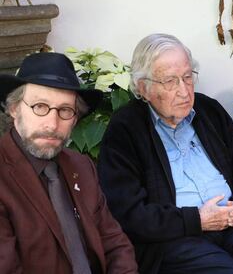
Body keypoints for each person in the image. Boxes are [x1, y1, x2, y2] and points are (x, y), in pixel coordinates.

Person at [97, 33, 233, 274]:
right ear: (144, 88)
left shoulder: (209, 110)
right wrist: (196, 219)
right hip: (175, 239)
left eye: (187, 77)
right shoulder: (126, 129)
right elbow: (128, 212)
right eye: (170, 81)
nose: (184, 91)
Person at [0, 52, 139, 274]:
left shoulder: (81, 166)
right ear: (15, 109)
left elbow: (115, 245)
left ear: (75, 118)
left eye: (65, 110)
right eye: (40, 106)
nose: (52, 124)